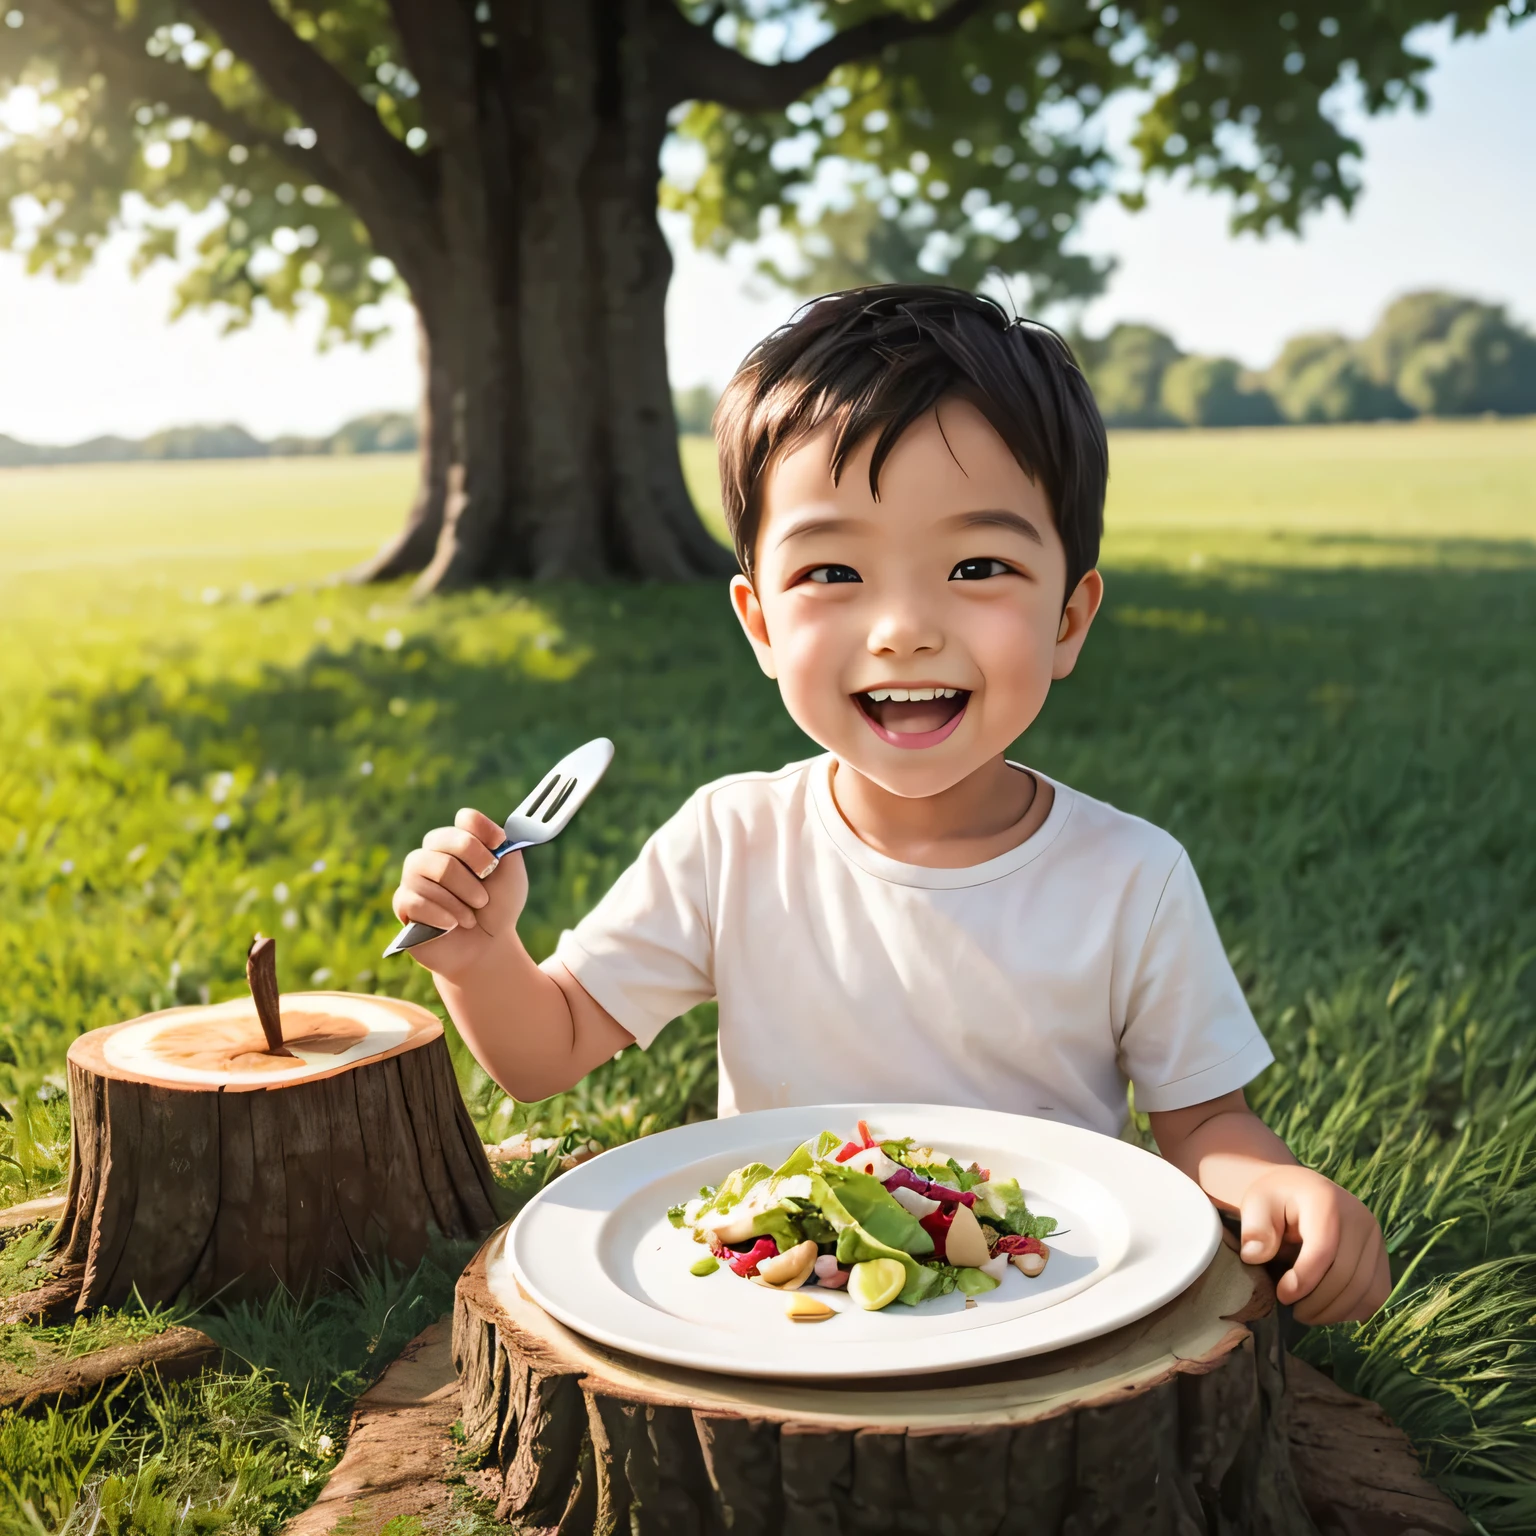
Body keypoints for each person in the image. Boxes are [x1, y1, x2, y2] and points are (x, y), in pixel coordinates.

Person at [392, 284, 1390, 1326]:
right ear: (762, 624)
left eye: (976, 566)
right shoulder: (732, 841)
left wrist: (1274, 1184)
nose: (905, 628)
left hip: (1041, 1302)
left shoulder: (1130, 878)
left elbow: (1203, 1126)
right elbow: (543, 1053)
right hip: (784, 1312)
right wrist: (477, 952)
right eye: (834, 570)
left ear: (1069, 617)